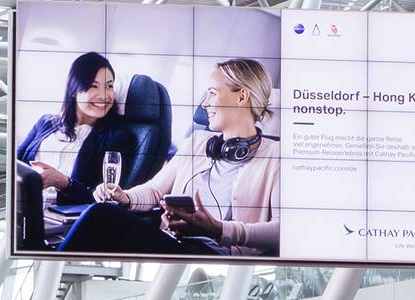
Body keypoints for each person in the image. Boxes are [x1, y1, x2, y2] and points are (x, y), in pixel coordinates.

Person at [77, 59, 282, 257]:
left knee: (100, 217)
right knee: (101, 212)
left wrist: (219, 229)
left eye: (212, 94)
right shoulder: (198, 142)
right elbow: (155, 190)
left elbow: (283, 229)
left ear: (241, 97)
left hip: (216, 254)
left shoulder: (276, 156)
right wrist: (126, 197)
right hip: (173, 240)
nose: (204, 104)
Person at [15, 51, 124, 246]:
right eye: (93, 86)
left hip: (62, 226)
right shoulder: (46, 123)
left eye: (109, 86)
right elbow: (16, 165)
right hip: (22, 212)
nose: (104, 95)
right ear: (74, 89)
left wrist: (63, 182)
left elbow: (104, 201)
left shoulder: (115, 138)